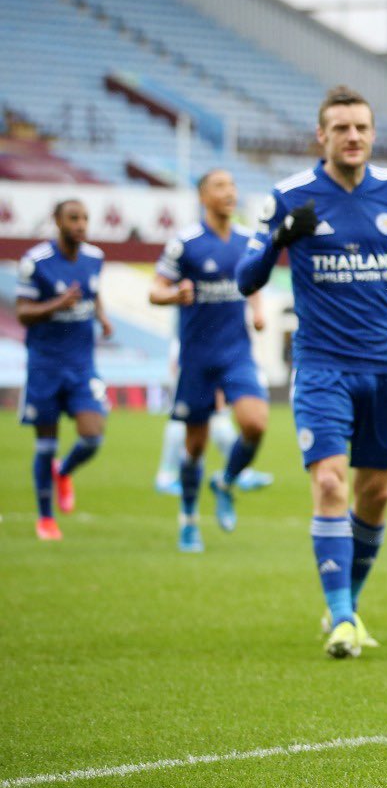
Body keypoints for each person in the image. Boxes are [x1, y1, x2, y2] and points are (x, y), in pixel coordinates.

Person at [236, 86, 387, 658]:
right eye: (341, 128)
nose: (352, 137)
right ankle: (345, 619)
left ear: (372, 135)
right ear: (320, 136)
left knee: (377, 491)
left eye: (361, 128)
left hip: (384, 368)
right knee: (328, 481)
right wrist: (279, 239)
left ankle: (345, 600)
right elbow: (246, 279)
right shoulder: (288, 197)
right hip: (322, 364)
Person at [150, 169, 270, 552]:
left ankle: (226, 481)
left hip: (236, 353)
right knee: (196, 446)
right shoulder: (185, 243)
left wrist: (257, 309)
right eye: (220, 186)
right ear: (203, 196)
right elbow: (156, 290)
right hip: (198, 357)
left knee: (254, 424)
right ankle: (188, 521)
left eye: (233, 185)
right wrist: (173, 296)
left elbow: (252, 282)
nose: (229, 192)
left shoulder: (248, 240)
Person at [16, 200, 112, 541]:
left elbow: (93, 293)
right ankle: (45, 518)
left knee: (93, 434)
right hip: (45, 365)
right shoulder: (36, 263)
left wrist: (101, 316)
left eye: (85, 218)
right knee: (45, 444)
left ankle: (64, 471)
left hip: (82, 364)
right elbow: (23, 313)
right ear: (57, 221)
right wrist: (58, 304)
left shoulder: (95, 258)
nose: (81, 224)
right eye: (73, 218)